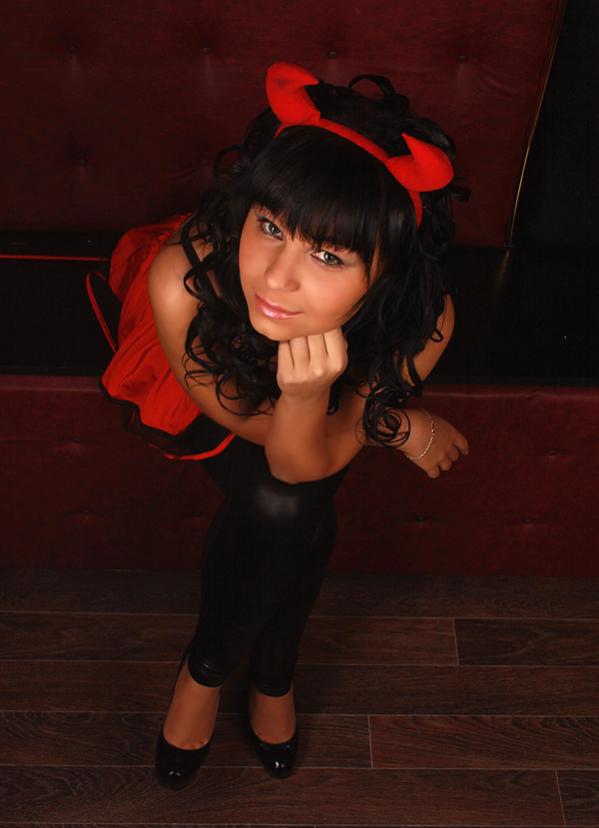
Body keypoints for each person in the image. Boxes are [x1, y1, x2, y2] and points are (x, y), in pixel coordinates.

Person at [89, 61, 469, 789]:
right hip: (211, 393)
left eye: (326, 254)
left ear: (384, 272)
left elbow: (310, 458)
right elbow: (290, 455)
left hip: (304, 430)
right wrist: (393, 425)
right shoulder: (184, 281)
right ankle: (263, 674)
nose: (276, 277)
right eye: (270, 227)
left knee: (286, 504)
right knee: (287, 499)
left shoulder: (423, 317)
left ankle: (214, 667)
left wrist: (339, 407)